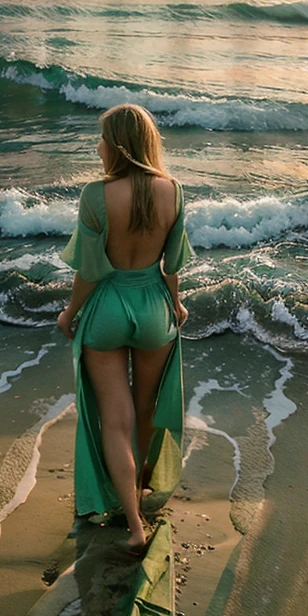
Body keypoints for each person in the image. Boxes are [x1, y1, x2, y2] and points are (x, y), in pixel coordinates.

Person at [57, 104, 193, 555]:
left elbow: (90, 271)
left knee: (115, 422)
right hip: (154, 308)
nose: (96, 147)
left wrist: (69, 313)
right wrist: (174, 304)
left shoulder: (96, 195)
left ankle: (134, 524)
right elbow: (171, 265)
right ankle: (137, 493)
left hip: (108, 308)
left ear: (115, 144)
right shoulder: (173, 190)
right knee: (145, 411)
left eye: (100, 138)